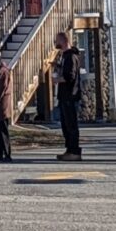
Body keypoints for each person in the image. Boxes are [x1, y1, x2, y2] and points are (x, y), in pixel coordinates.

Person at [52, 32, 82, 162]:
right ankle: (69, 149)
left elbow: (70, 76)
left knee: (71, 124)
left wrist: (58, 79)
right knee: (65, 124)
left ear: (63, 41)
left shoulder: (70, 56)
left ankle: (74, 151)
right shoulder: (64, 56)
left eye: (57, 40)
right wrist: (57, 67)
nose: (55, 43)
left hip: (70, 94)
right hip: (64, 95)